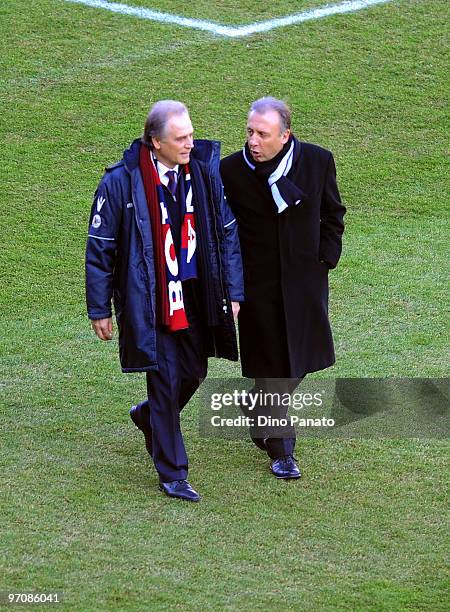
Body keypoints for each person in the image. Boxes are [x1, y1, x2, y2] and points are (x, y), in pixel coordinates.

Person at [85, 100, 243, 502]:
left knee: (194, 372)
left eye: (191, 134)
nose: (191, 143)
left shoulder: (203, 172)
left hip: (195, 294)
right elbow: (101, 248)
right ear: (156, 142)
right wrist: (99, 308)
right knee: (167, 378)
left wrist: (233, 292)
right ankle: (173, 472)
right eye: (181, 138)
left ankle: (148, 416)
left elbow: (226, 233)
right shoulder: (120, 182)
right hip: (150, 297)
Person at [220, 97, 346, 480]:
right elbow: (222, 233)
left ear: (285, 135)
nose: (253, 141)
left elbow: (333, 213)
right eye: (250, 132)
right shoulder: (229, 171)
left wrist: (325, 258)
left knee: (301, 360)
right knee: (272, 366)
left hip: (305, 283)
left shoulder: (316, 161)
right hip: (257, 289)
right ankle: (282, 450)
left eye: (262, 134)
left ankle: (256, 405)